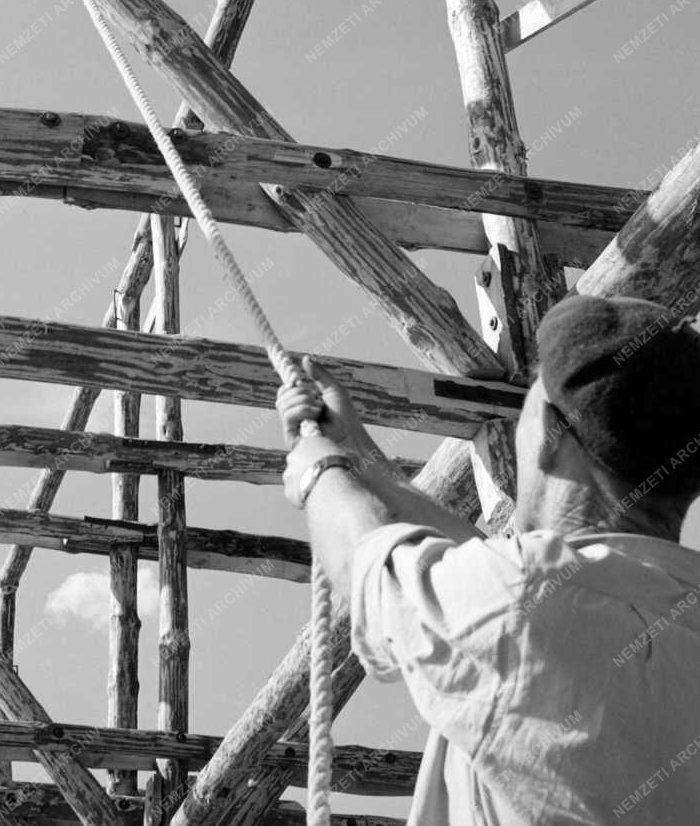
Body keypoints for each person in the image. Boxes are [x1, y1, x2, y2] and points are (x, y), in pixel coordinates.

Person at [278, 293, 700, 824]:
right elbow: (494, 581)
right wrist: (355, 455)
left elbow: (366, 561)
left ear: (548, 430)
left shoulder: (522, 599)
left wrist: (319, 469)